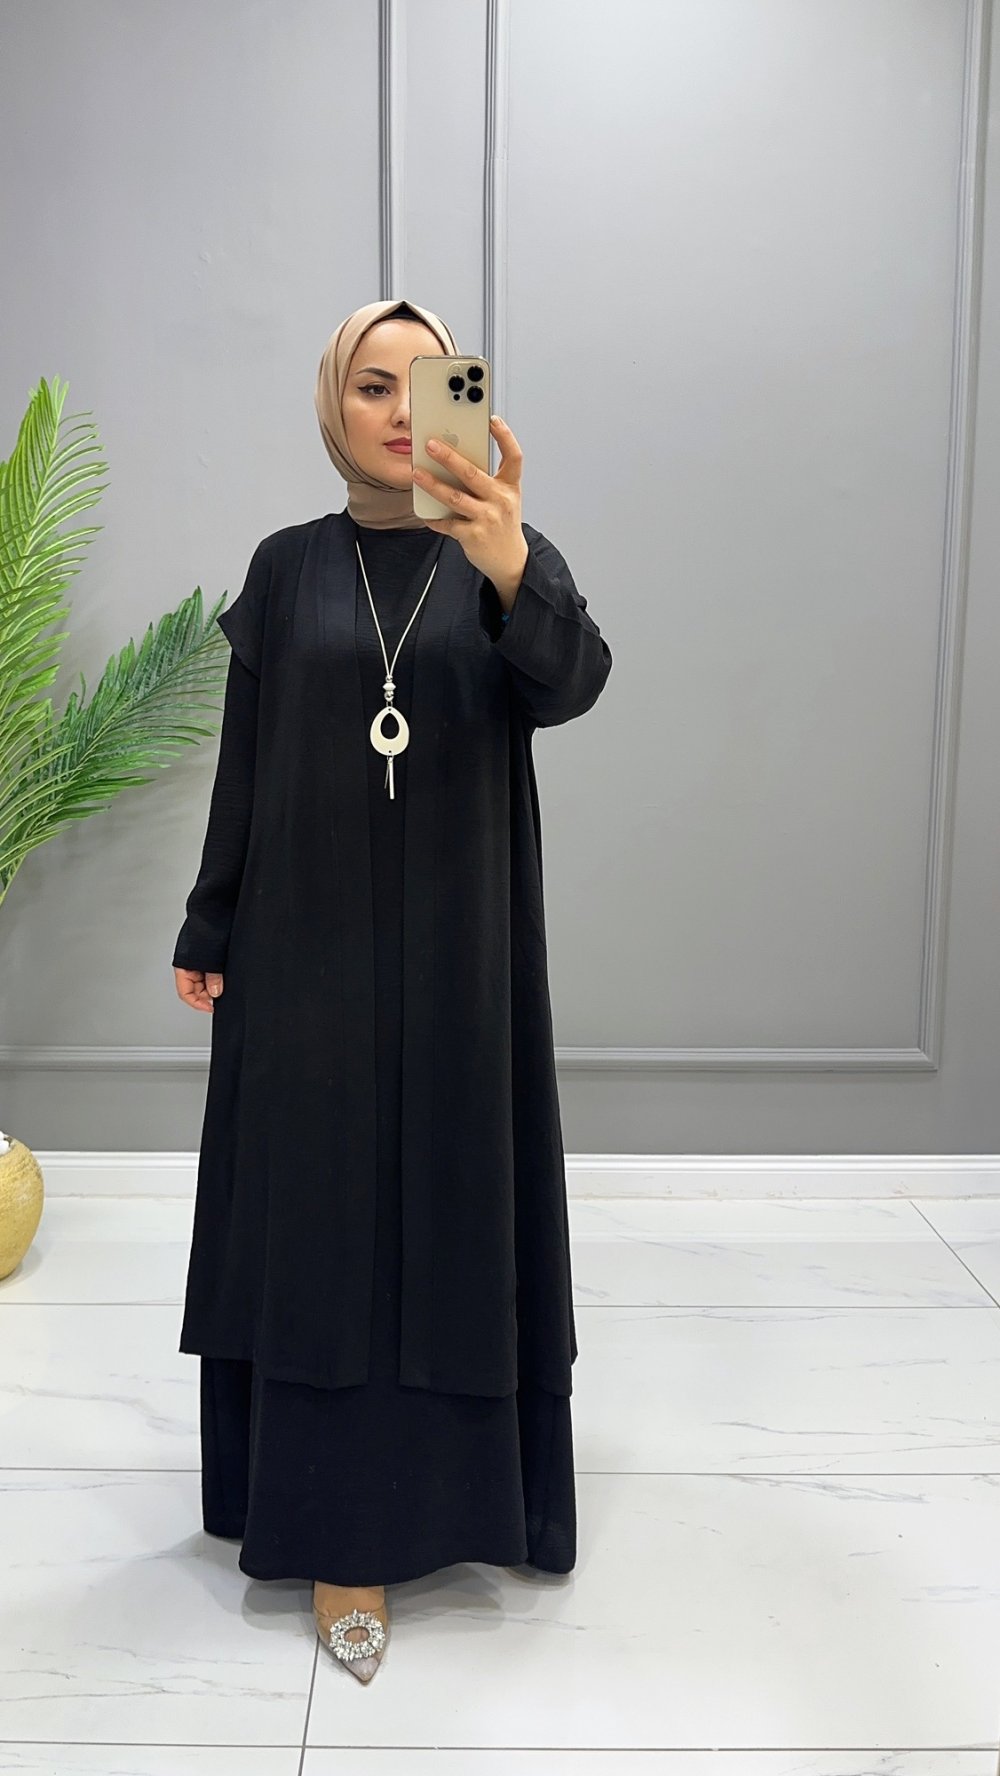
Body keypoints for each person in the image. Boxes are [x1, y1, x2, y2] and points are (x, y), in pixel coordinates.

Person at [171, 298, 613, 1683]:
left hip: (462, 957)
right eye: (375, 384)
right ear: (333, 404)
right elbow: (247, 764)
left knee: (452, 1208)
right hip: (303, 957)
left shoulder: (501, 552)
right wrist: (210, 914)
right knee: (323, 1226)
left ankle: (475, 1504)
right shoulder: (287, 566)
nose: (403, 411)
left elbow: (573, 685)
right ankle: (338, 1532)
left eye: (432, 382)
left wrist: (512, 562)